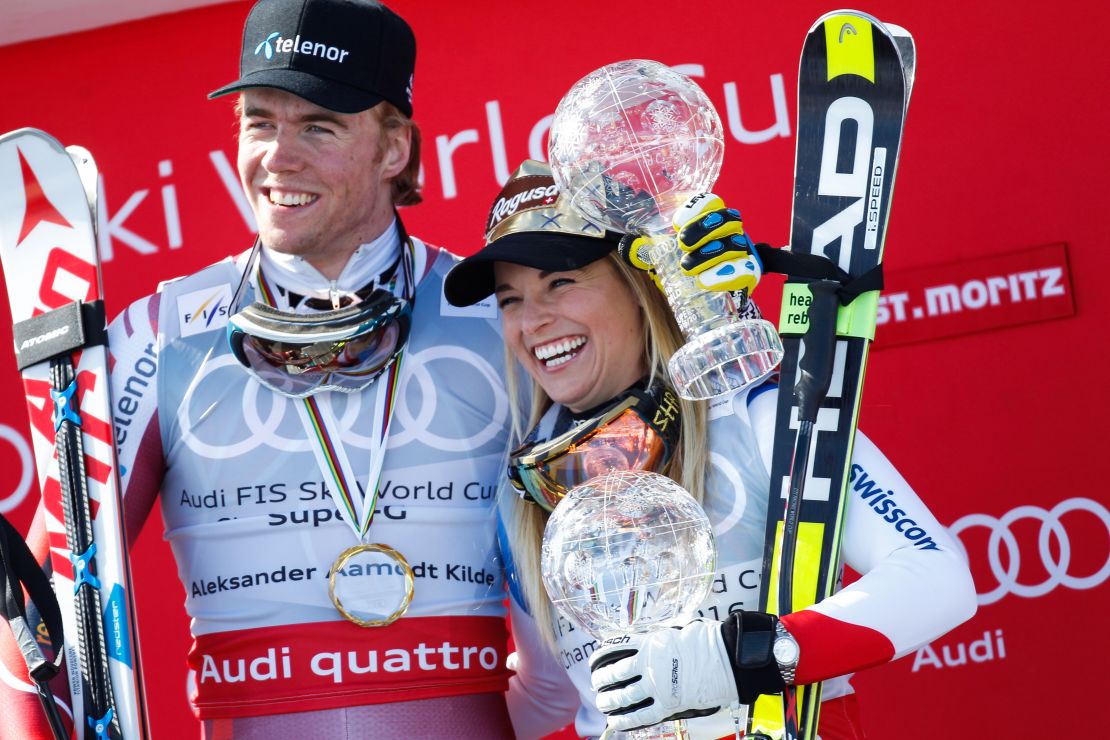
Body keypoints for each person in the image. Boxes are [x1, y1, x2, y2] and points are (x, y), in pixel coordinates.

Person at [0, 1, 517, 737]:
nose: (278, 155)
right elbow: (41, 613)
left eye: (319, 125)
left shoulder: (496, 316)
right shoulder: (159, 335)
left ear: (395, 147)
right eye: (259, 121)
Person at [443, 160, 978, 739]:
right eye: (510, 299)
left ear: (640, 282)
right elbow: (550, 691)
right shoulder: (524, 490)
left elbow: (938, 578)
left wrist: (734, 660)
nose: (535, 320)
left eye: (561, 282)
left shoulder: (752, 414)